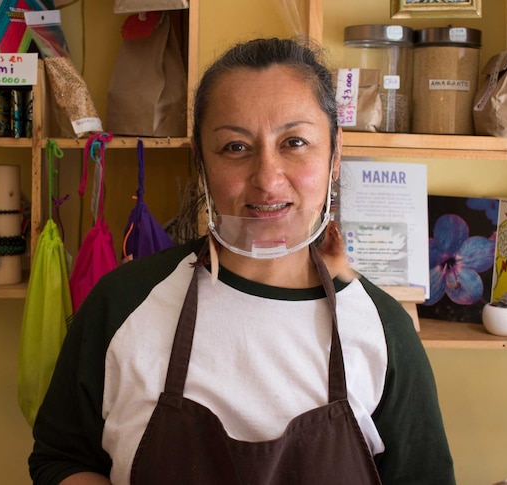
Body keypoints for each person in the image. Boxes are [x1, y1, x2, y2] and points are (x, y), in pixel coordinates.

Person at [29, 37, 456, 485]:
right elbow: (60, 457)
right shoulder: (122, 304)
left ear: (335, 154)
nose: (267, 179)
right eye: (235, 147)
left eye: (294, 142)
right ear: (201, 161)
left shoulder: (382, 332)